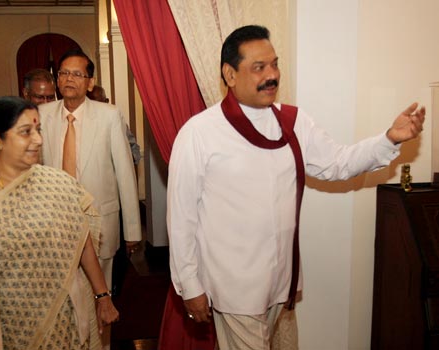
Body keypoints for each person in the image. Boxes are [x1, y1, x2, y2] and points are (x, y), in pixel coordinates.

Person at [166, 25, 425, 349]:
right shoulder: (198, 133)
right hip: (235, 289)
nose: (271, 75)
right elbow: (181, 216)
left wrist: (389, 138)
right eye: (259, 67)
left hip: (282, 283)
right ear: (229, 75)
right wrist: (190, 286)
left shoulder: (293, 121)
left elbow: (338, 164)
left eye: (274, 64)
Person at [0, 96, 118, 350]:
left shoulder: (59, 184)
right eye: (26, 132)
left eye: (38, 130)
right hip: (5, 330)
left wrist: (103, 297)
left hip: (62, 322)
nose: (38, 139)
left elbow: (82, 245)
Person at [38, 49, 141, 349]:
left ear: (90, 82)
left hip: (100, 226)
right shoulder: (43, 116)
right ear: (57, 80)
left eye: (77, 74)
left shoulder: (109, 116)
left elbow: (125, 173)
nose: (69, 79)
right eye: (64, 73)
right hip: (55, 227)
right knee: (63, 299)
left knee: (102, 298)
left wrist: (132, 230)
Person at [87, 85, 141, 165]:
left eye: (100, 104)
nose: (98, 108)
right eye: (94, 104)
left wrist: (124, 160)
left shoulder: (118, 122)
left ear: (106, 101)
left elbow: (134, 150)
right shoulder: (81, 124)